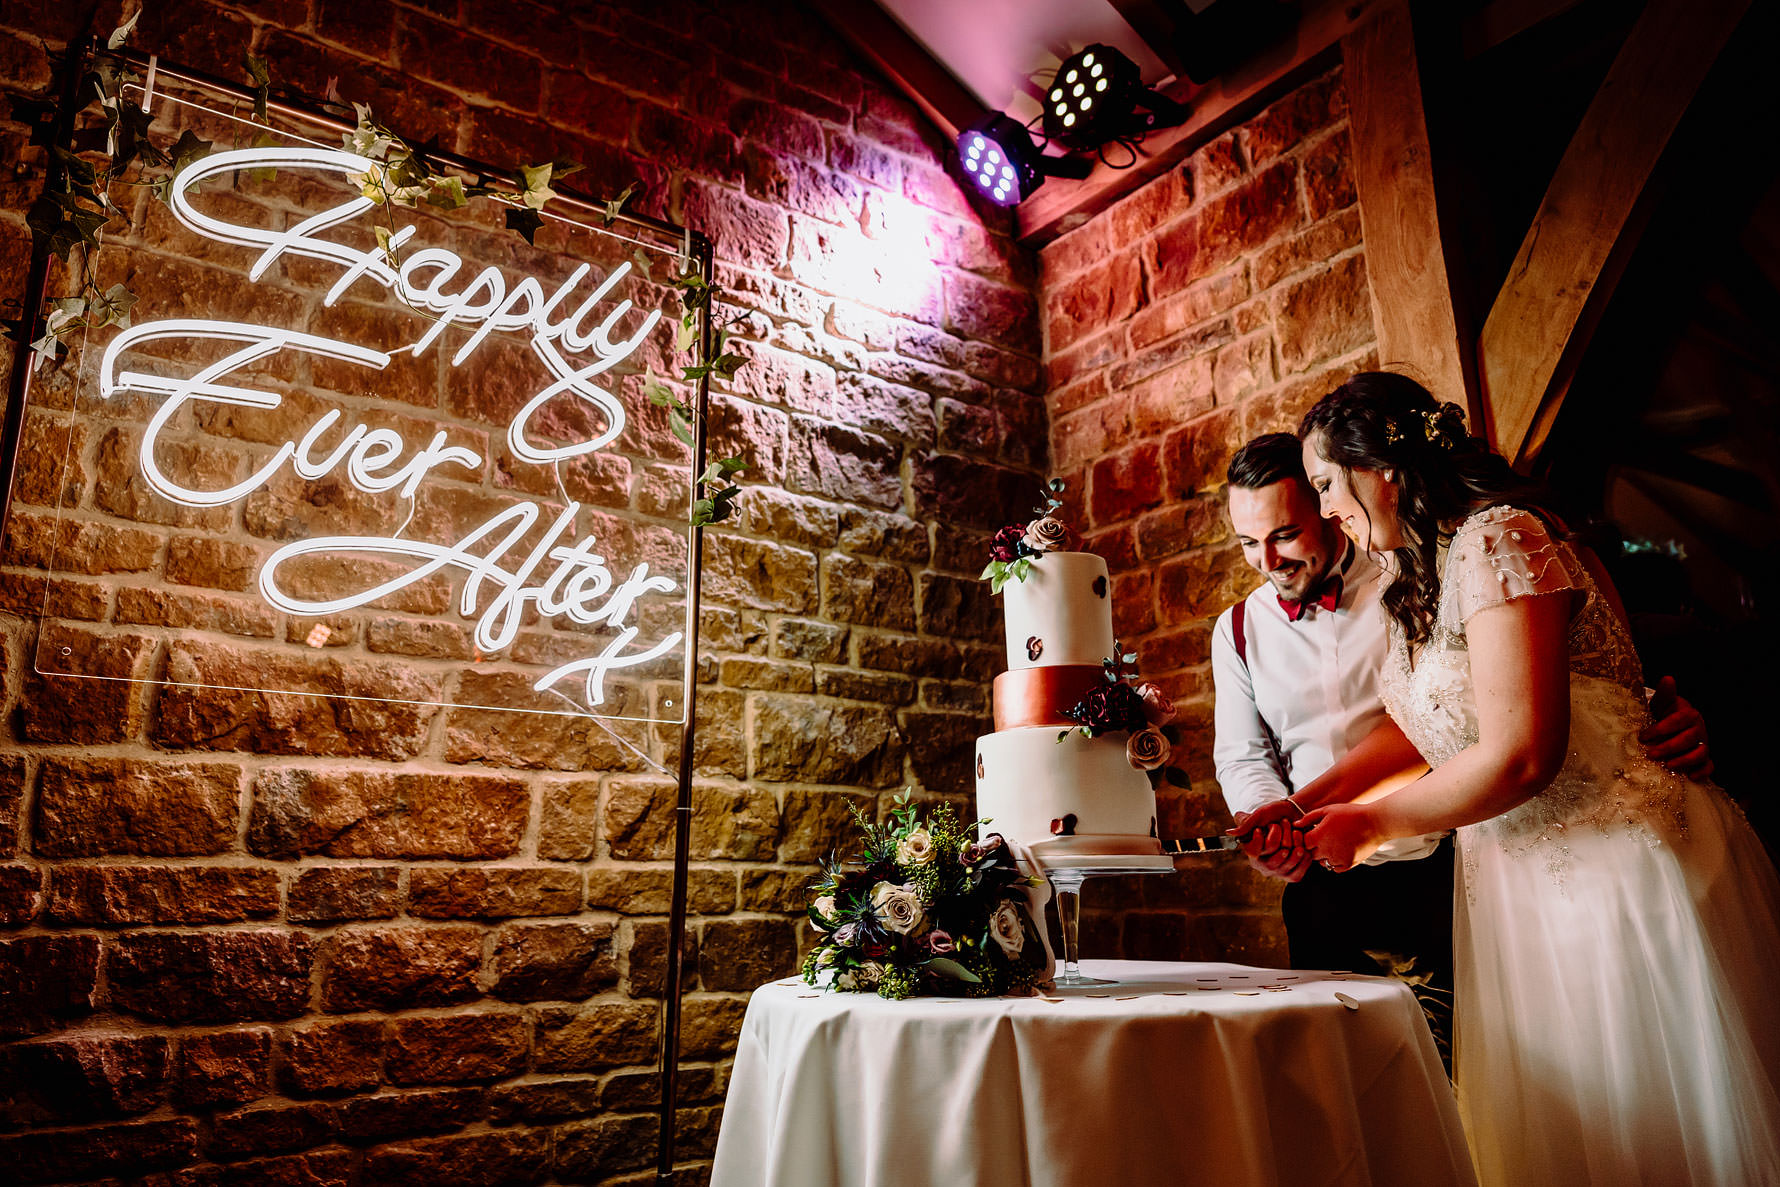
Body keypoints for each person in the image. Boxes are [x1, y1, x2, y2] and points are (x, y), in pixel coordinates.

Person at [1293, 372, 1780, 1185]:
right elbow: (1429, 724)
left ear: (1380, 468)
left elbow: (1522, 752)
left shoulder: (1501, 537)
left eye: (1323, 483)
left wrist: (1373, 824)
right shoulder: (1422, 575)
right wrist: (1310, 800)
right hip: (1524, 892)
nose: (1324, 509)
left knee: (1658, 1125)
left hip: (1618, 878)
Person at [1211, 434, 1710, 1062]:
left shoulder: (1426, 570)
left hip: (1449, 860)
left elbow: (1571, 689)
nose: (1267, 558)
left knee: (1481, 1066)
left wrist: (1664, 711)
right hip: (1324, 872)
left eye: (1284, 533)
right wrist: (1280, 821)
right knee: (1346, 1077)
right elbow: (1245, 755)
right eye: (1248, 543)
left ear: (1328, 503)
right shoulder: (1236, 629)